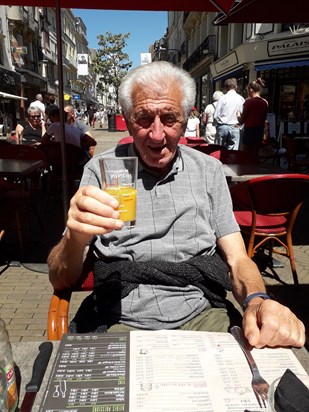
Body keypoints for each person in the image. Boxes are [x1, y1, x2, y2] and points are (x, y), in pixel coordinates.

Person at [47, 61, 305, 349]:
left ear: (185, 119)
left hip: (202, 315)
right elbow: (60, 279)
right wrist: (75, 236)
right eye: (144, 118)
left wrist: (258, 299)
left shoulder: (208, 171)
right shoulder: (101, 170)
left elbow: (237, 259)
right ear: (127, 119)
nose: (157, 135)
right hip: (119, 318)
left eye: (169, 118)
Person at [238, 78, 269, 155]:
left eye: (247, 90)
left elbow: (241, 121)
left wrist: (238, 115)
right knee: (255, 154)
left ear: (251, 90)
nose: (247, 92)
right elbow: (263, 118)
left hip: (249, 130)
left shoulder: (248, 102)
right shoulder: (264, 103)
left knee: (245, 154)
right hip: (259, 130)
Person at [214, 78, 245, 150]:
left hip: (222, 126)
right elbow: (243, 115)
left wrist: (218, 125)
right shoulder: (241, 99)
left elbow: (216, 115)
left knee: (218, 150)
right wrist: (240, 126)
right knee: (232, 153)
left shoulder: (222, 98)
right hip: (235, 126)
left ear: (225, 88)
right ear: (236, 87)